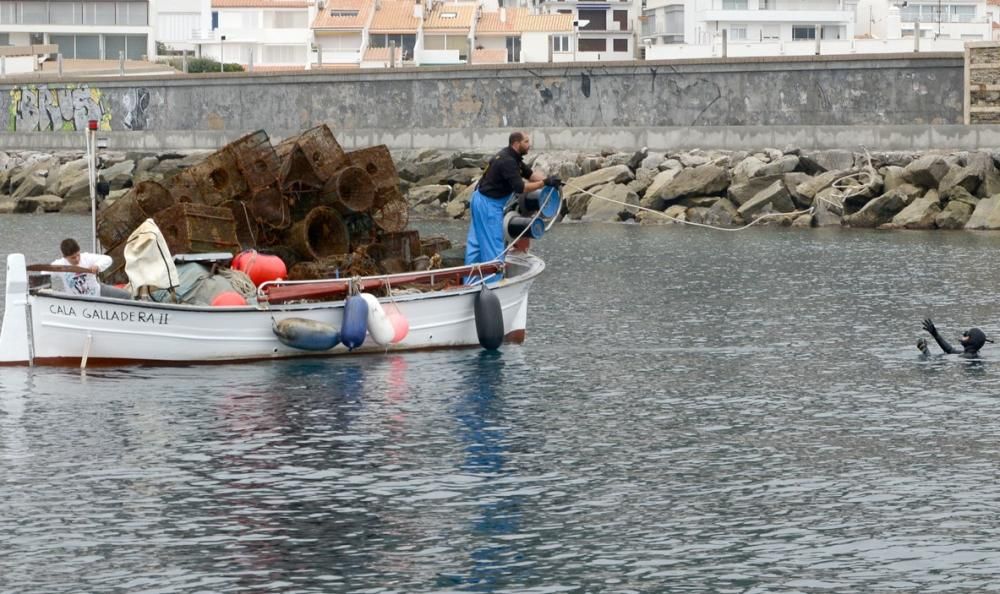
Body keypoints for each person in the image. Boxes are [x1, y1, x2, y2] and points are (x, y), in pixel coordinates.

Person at [465, 132, 562, 279]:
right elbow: (520, 188)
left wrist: (549, 181)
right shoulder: (508, 161)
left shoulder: (512, 157)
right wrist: (543, 184)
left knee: (476, 244)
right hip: (488, 204)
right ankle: (493, 283)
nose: (529, 144)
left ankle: (469, 280)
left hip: (479, 199)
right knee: (494, 246)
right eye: (526, 141)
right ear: (516, 143)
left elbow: (529, 175)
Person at [51, 238, 130, 299]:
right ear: (65, 257)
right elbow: (44, 272)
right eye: (73, 258)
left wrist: (97, 266)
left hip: (98, 292)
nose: (77, 259)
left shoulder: (87, 257)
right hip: (76, 301)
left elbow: (108, 259)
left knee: (128, 296)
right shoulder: (60, 265)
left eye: (78, 255)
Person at [920, 318, 991, 358]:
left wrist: (926, 352)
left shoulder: (965, 357)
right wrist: (935, 334)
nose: (963, 335)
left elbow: (940, 359)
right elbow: (950, 350)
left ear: (970, 341)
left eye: (966, 335)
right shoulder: (971, 353)